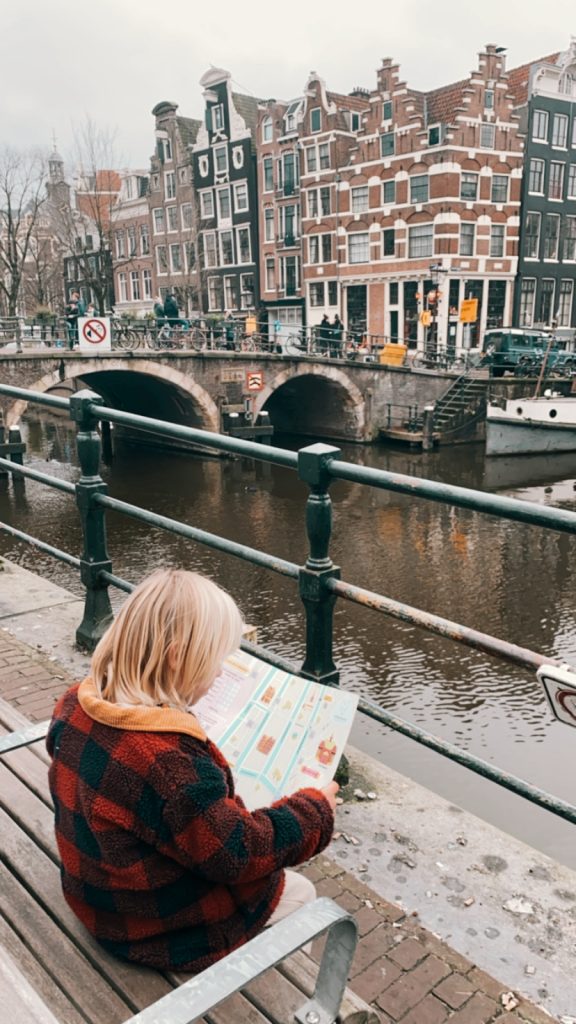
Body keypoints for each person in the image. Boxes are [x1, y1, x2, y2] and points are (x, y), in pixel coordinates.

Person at [46, 569, 337, 973]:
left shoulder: (74, 704)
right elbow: (237, 853)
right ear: (178, 657)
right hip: (153, 933)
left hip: (97, 898)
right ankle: (272, 993)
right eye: (217, 659)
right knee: (301, 894)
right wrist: (315, 810)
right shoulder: (172, 767)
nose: (220, 672)